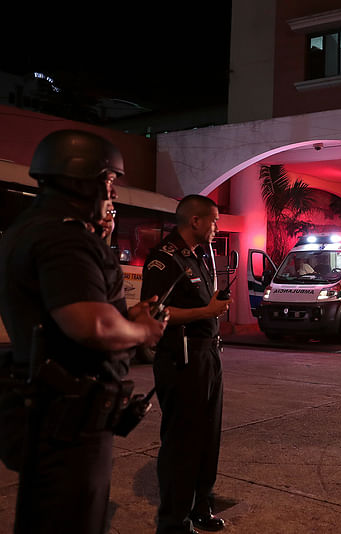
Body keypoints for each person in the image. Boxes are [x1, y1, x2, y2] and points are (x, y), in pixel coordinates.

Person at [0, 129, 167, 534]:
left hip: (52, 413)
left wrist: (127, 315)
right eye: (108, 181)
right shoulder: (64, 235)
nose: (112, 195)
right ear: (80, 180)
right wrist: (142, 331)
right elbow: (91, 324)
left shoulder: (32, 226)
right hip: (68, 419)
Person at [141, 195, 231, 534]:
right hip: (181, 358)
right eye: (213, 220)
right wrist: (206, 313)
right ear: (195, 221)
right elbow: (155, 312)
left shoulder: (198, 257)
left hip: (208, 355)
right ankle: (173, 523)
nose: (216, 227)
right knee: (182, 441)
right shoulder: (164, 260)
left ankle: (200, 506)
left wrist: (212, 309)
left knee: (208, 437)